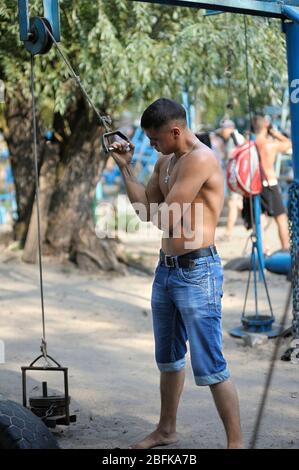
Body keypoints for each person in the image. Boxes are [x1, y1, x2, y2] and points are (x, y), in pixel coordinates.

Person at [110, 98, 243, 450]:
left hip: (198, 271)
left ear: (175, 131)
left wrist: (155, 209)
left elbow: (165, 217)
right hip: (166, 270)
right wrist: (126, 168)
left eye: (155, 140)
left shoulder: (200, 159)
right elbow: (143, 210)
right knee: (168, 359)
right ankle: (166, 430)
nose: (151, 146)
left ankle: (236, 443)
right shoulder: (166, 160)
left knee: (211, 363)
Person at [251, 115, 292, 251]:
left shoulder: (250, 143)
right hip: (269, 182)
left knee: (261, 218)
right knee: (281, 217)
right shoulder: (269, 144)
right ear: (266, 126)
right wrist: (274, 133)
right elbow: (289, 143)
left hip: (255, 184)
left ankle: (261, 249)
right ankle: (286, 247)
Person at [212, 119, 245, 241]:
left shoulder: (236, 139)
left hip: (236, 177)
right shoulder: (233, 138)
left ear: (230, 128)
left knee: (232, 204)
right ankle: (258, 225)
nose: (222, 133)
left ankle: (228, 233)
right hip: (235, 177)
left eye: (223, 130)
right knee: (238, 204)